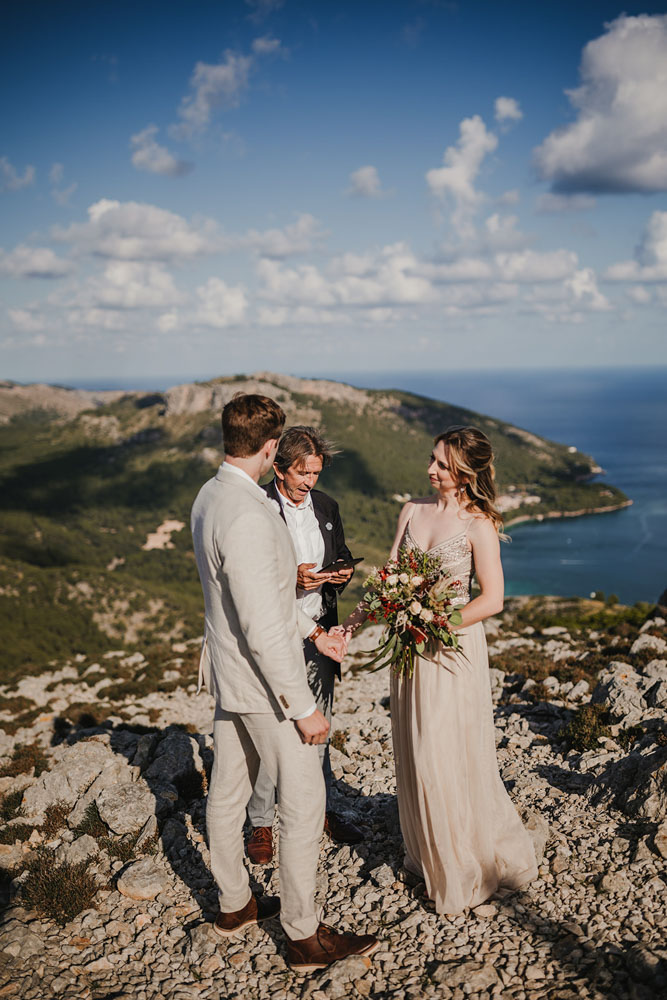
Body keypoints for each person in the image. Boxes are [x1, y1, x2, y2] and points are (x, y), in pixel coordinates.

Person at [191, 393, 378, 970]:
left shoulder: (209, 495)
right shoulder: (248, 512)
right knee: (302, 800)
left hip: (230, 676)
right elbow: (262, 622)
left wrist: (315, 632)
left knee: (226, 794)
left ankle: (235, 904)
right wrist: (302, 707)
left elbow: (255, 599)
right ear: (272, 448)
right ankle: (302, 933)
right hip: (266, 687)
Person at [340, 425, 538, 914]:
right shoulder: (411, 510)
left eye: (443, 465)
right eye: (432, 460)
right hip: (410, 650)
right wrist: (354, 622)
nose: (431, 470)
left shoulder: (479, 524)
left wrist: (438, 621)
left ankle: (461, 863)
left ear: (466, 473)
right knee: (414, 748)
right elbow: (389, 578)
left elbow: (493, 599)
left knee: (443, 750)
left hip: (452, 649)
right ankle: (427, 852)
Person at [246, 426, 364, 864]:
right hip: (275, 633)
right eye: (302, 472)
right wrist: (290, 578)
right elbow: (254, 578)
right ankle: (260, 821)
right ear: (278, 467)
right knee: (271, 727)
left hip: (319, 630)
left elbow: (341, 551)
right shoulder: (257, 506)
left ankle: (322, 811)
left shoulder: (327, 506)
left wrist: (341, 574)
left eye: (315, 472)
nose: (309, 481)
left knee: (320, 725)